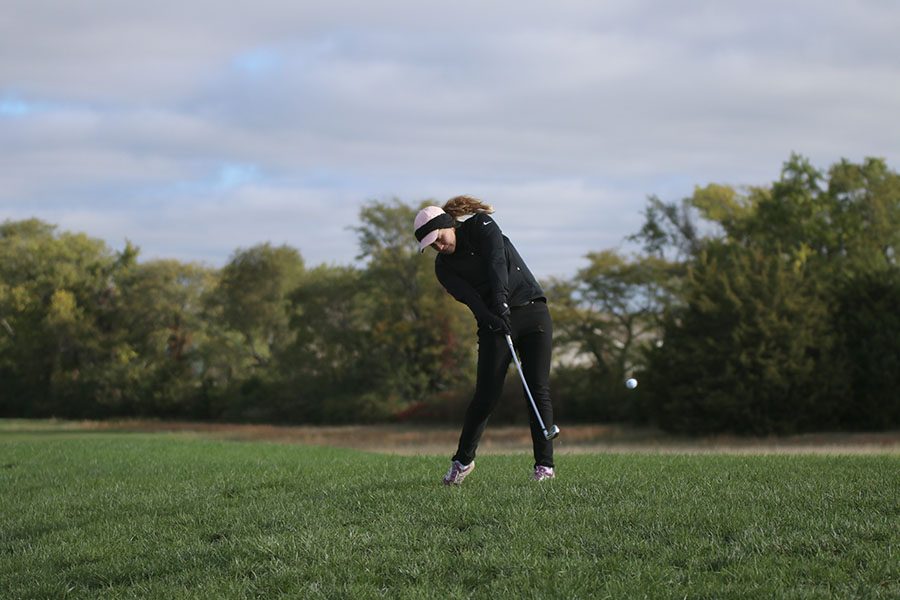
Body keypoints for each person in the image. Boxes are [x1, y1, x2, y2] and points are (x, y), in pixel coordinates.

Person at [413, 196, 557, 484]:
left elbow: (496, 262)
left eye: (438, 238)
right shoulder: (444, 268)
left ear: (447, 225)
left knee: (536, 388)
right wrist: (492, 317)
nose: (438, 247)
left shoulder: (481, 225)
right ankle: (463, 461)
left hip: (531, 311)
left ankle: (544, 466)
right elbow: (471, 299)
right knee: (486, 395)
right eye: (432, 245)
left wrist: (502, 303)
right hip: (494, 323)